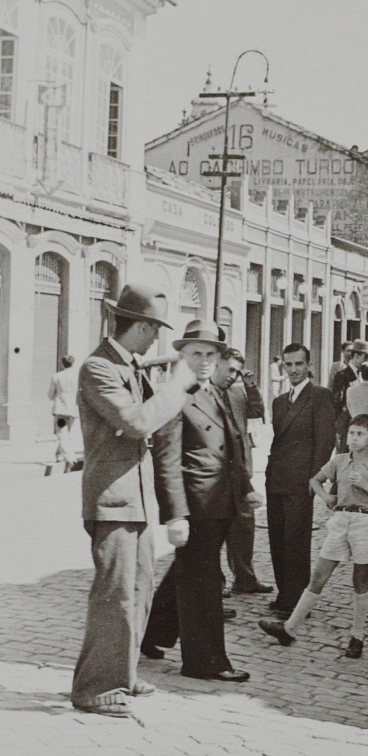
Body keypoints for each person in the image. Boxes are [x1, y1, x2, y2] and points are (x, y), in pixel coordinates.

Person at [71, 284, 195, 718]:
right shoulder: (97, 368)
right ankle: (95, 688)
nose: (156, 338)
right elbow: (139, 422)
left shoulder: (131, 366)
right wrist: (177, 386)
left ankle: (120, 673)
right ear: (140, 326)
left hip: (136, 498)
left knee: (138, 591)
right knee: (115, 595)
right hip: (113, 498)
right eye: (154, 329)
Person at [140, 320, 253, 683]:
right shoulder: (175, 395)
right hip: (197, 505)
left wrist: (245, 487)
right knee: (203, 583)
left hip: (220, 500)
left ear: (219, 357)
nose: (204, 361)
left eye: (210, 354)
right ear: (182, 356)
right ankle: (205, 661)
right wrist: (176, 516)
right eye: (195, 354)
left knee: (187, 573)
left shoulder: (216, 390)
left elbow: (232, 445)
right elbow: (167, 460)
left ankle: (151, 633)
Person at [258, 414, 368, 658]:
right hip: (341, 520)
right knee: (319, 575)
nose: (353, 438)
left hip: (365, 521)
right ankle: (289, 629)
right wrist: (326, 497)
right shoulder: (340, 461)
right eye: (351, 433)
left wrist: (365, 485)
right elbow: (315, 480)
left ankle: (357, 636)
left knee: (360, 579)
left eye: (360, 434)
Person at [265, 343, 337, 617]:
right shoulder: (279, 401)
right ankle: (284, 594)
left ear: (309, 365)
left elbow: (325, 440)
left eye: (298, 364)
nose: (293, 369)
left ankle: (296, 602)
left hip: (301, 481)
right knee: (277, 538)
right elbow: (277, 443)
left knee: (296, 540)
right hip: (276, 479)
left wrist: (315, 478)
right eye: (289, 364)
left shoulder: (320, 396)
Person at [214, 348, 273, 597]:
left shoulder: (238, 391)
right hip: (216, 472)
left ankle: (245, 579)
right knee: (215, 528)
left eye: (237, 372)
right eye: (230, 369)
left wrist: (251, 387)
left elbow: (258, 412)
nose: (233, 376)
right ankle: (215, 584)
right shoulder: (205, 393)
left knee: (244, 525)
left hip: (240, 469)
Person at [332, 340, 368, 450]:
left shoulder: (362, 375)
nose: (367, 361)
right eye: (365, 357)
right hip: (346, 425)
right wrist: (338, 427)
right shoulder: (343, 375)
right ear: (356, 356)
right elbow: (337, 401)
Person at [49, 354, 81, 467]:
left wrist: (55, 396)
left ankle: (70, 458)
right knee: (67, 434)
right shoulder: (77, 376)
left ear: (63, 364)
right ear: (73, 363)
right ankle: (59, 455)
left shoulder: (57, 376)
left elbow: (50, 394)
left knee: (62, 434)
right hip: (72, 409)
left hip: (60, 409)